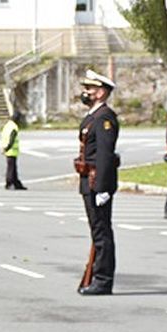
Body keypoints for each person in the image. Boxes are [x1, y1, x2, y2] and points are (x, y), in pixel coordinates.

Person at [74, 70, 120, 296]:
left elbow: (104, 154)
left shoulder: (104, 117)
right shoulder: (94, 116)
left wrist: (102, 187)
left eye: (90, 89)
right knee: (97, 232)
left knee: (101, 233)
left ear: (101, 92)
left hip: (96, 182)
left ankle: (102, 280)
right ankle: (96, 276)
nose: (86, 92)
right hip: (89, 180)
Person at [1, 111, 26, 190]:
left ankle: (16, 182)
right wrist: (7, 148)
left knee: (13, 168)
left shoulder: (7, 125)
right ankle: (9, 183)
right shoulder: (14, 127)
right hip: (11, 150)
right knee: (11, 168)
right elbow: (12, 139)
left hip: (8, 149)